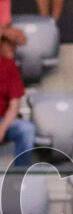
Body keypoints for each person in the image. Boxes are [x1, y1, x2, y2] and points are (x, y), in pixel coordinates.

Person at [0, 30, 35, 165]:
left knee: (26, 129)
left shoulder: (8, 65)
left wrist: (2, 129)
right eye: (8, 44)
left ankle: (20, 177)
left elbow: (15, 106)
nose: (12, 49)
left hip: (3, 120)